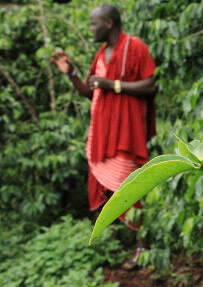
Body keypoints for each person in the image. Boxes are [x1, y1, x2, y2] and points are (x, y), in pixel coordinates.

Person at [51, 5, 156, 270]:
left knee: (129, 189)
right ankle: (124, 242)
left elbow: (151, 85)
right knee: (110, 189)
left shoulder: (135, 47)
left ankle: (144, 246)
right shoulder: (101, 53)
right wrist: (72, 73)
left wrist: (114, 85)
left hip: (125, 134)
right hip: (102, 133)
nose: (90, 29)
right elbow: (91, 91)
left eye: (93, 24)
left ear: (108, 23)